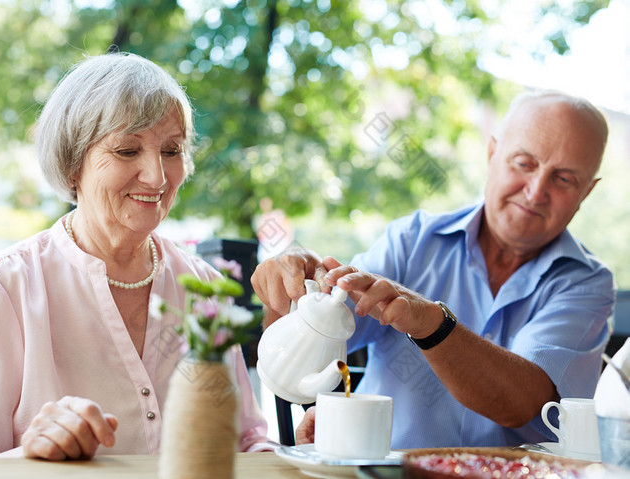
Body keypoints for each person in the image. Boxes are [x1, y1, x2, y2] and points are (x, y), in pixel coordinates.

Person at [0, 52, 272, 460]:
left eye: (171, 150)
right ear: (73, 165)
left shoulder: (205, 288)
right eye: (128, 151)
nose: (158, 177)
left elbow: (244, 441)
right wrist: (31, 455)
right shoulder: (5, 284)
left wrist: (300, 451)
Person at [251, 90, 614, 448]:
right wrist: (290, 287)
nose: (536, 192)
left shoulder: (587, 284)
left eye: (564, 179)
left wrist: (431, 322)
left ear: (585, 193)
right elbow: (307, 337)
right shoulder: (411, 241)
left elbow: (521, 405)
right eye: (524, 163)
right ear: (492, 154)